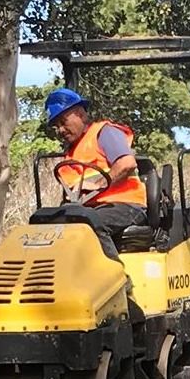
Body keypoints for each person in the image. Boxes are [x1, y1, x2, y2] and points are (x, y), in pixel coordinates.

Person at [44, 87, 148, 255]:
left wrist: (97, 184)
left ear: (80, 113)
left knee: (88, 222)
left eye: (63, 122)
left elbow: (127, 164)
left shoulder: (104, 132)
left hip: (126, 205)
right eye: (56, 126)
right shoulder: (71, 153)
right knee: (45, 224)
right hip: (91, 209)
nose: (60, 130)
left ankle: (116, 277)